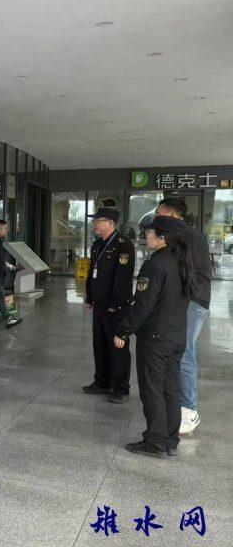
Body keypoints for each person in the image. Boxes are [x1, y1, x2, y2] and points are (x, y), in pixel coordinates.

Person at [114, 215, 195, 458]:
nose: (145, 236)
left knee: (152, 390)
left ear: (162, 238)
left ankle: (155, 442)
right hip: (176, 336)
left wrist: (123, 330)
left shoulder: (155, 264)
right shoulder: (181, 261)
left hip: (156, 338)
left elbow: (143, 303)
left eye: (149, 233)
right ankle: (170, 440)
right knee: (170, 389)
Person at [155, 196, 212, 435]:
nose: (156, 218)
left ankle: (189, 410)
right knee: (176, 350)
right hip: (180, 302)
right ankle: (176, 402)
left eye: (159, 213)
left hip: (192, 303)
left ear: (171, 214)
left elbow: (200, 274)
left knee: (185, 352)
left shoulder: (191, 236)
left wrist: (184, 299)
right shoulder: (174, 236)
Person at [82, 207, 136, 402]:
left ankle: (121, 388)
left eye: (98, 221)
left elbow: (123, 278)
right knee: (100, 344)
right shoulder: (98, 245)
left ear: (111, 223)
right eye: (94, 221)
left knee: (117, 346)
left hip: (115, 305)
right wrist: (89, 297)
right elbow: (92, 272)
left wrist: (116, 303)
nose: (94, 224)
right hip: (99, 303)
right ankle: (102, 382)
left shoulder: (123, 245)